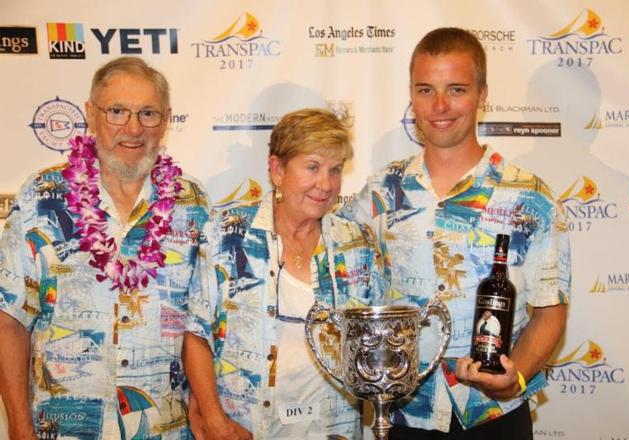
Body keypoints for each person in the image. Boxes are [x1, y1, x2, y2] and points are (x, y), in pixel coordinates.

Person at [340, 27, 571, 438]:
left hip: (492, 413)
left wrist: (514, 379)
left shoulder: (530, 197)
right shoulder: (381, 191)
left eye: (457, 89)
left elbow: (549, 312)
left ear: (483, 94)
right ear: (411, 96)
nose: (440, 105)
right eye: (426, 90)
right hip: (402, 415)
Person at [0, 56, 209, 439]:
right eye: (117, 111)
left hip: (164, 429)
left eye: (148, 113)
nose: (133, 128)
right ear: (90, 114)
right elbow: (9, 320)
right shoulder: (42, 199)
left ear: (166, 120)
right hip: (63, 429)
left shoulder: (191, 204)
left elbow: (204, 326)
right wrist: (17, 426)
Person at [184, 108, 384, 439]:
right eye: (312, 167)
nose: (326, 184)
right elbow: (196, 334)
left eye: (334, 170)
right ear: (277, 169)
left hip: (332, 428)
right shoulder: (227, 233)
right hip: (245, 427)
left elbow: (374, 344)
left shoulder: (356, 243)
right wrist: (214, 418)